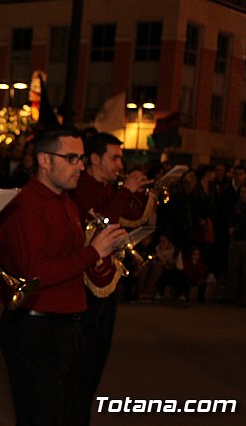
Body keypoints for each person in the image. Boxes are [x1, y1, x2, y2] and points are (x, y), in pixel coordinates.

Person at [0, 128, 126, 426]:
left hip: (68, 323)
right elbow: (35, 272)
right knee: (43, 417)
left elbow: (67, 258)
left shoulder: (66, 201)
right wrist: (93, 252)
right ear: (44, 159)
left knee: (71, 413)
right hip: (36, 327)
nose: (81, 166)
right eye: (71, 158)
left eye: (81, 158)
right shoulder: (24, 204)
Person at [68, 131, 149, 425]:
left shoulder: (106, 187)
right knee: (78, 372)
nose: (120, 164)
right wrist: (125, 192)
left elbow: (118, 220)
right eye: (114, 157)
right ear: (94, 159)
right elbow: (101, 222)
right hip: (84, 288)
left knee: (93, 371)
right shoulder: (80, 188)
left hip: (106, 284)